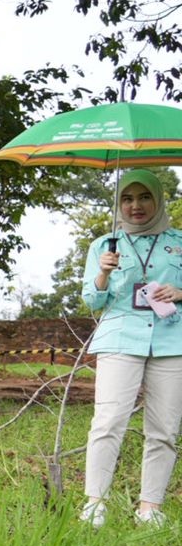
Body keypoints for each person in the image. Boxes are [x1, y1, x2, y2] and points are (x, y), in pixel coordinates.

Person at [78, 169, 182, 527]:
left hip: (172, 340)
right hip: (120, 337)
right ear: (118, 204)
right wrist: (103, 273)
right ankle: (95, 504)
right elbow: (93, 300)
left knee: (165, 429)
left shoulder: (178, 242)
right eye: (127, 198)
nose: (135, 206)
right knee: (108, 420)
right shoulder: (105, 245)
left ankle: (150, 508)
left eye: (144, 197)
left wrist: (180, 293)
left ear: (158, 199)